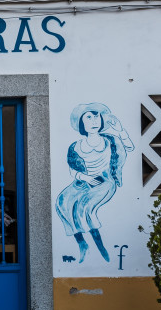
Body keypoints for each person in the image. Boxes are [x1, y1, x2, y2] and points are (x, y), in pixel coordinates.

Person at [55, 103, 134, 263]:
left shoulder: (111, 140)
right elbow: (72, 170)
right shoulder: (76, 146)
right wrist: (85, 178)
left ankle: (101, 248)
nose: (94, 121)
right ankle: (82, 243)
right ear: (81, 123)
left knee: (83, 207)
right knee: (63, 202)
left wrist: (120, 131)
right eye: (88, 117)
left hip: (105, 182)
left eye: (96, 116)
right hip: (85, 181)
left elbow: (130, 147)